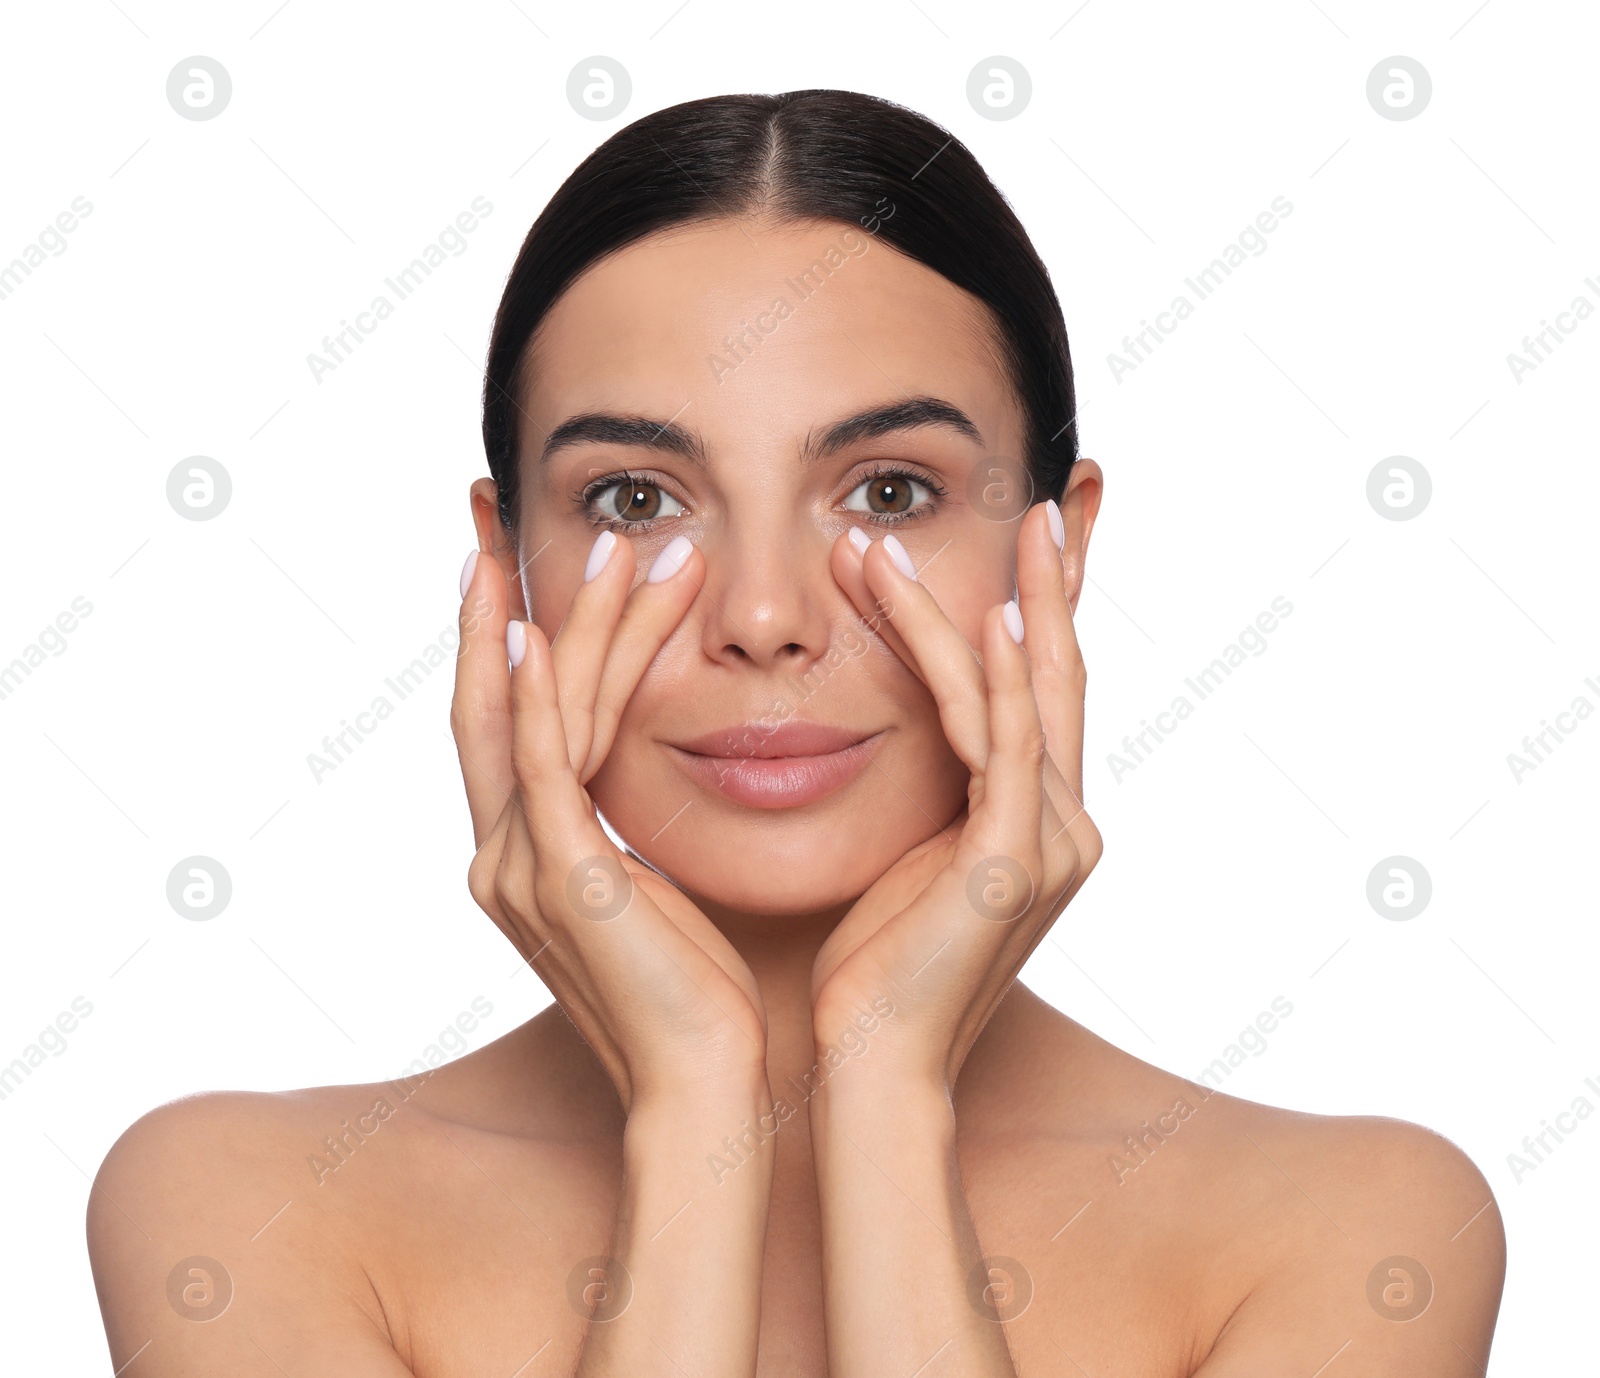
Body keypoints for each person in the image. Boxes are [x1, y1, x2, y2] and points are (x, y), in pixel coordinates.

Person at [88, 89, 1504, 1376]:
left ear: (1053, 552)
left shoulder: (1353, 1231)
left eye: (888, 493)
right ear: (507, 569)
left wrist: (885, 1088)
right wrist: (696, 1103)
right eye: (636, 501)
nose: (765, 616)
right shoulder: (239, 1207)